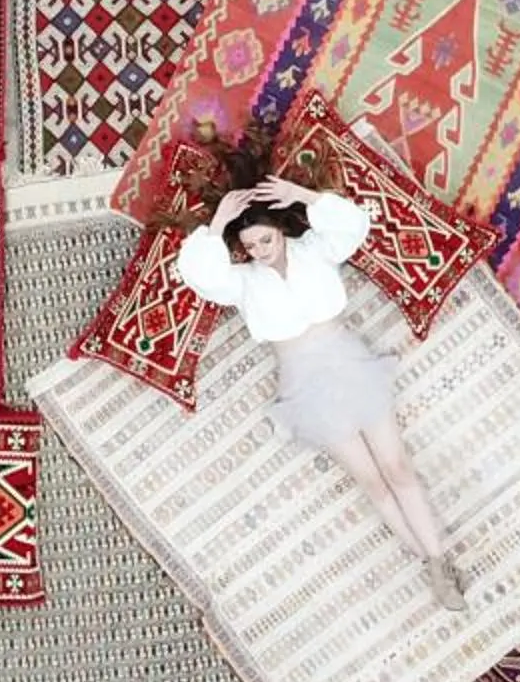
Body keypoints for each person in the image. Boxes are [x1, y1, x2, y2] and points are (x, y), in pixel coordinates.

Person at [175, 174, 471, 611]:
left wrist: (304, 196)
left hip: (350, 364)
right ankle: (435, 566)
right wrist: (219, 223)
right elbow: (198, 274)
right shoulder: (242, 282)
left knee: (397, 467)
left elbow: (353, 226)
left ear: (280, 229)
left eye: (266, 240)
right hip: (305, 383)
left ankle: (438, 559)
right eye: (251, 246)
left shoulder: (315, 249)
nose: (259, 251)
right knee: (372, 482)